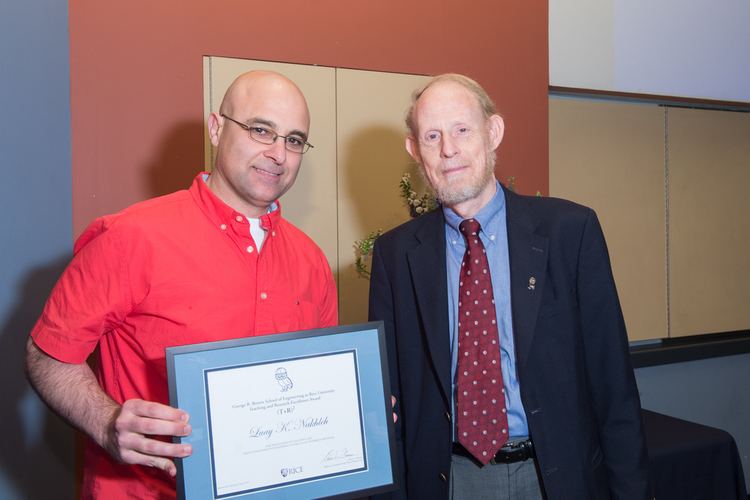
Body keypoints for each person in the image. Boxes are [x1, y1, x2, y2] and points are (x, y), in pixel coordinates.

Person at [25, 70, 338, 499]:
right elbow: (47, 354)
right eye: (261, 130)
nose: (278, 154)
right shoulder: (133, 237)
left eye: (295, 140)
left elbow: (313, 389)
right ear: (216, 128)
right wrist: (104, 421)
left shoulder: (312, 261)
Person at [368, 74, 649, 499]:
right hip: (449, 481)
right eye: (432, 135)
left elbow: (614, 385)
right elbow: (389, 404)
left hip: (555, 478)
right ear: (414, 149)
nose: (449, 149)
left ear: (493, 132)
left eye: (462, 129)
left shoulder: (570, 233)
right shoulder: (395, 255)